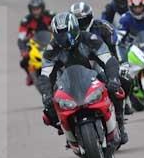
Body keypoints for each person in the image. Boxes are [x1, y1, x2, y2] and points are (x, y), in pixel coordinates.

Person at [39, 12, 126, 143]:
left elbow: (108, 60)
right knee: (48, 112)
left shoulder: (90, 39)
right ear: (55, 35)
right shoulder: (51, 50)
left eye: (67, 32)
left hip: (93, 76)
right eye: (60, 34)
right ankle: (66, 130)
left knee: (119, 86)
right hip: (65, 83)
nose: (65, 38)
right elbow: (45, 75)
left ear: (75, 29)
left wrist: (113, 79)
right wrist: (46, 94)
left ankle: (119, 123)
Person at [70, 2, 130, 141]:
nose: (80, 23)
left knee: (124, 80)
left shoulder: (103, 27)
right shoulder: (70, 33)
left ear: (90, 17)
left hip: (105, 63)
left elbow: (116, 45)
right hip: (81, 69)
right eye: (77, 21)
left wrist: (122, 64)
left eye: (82, 20)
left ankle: (120, 121)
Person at [18, 0, 55, 86]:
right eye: (34, 9)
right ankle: (30, 75)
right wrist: (23, 50)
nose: (36, 12)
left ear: (42, 8)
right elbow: (21, 38)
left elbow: (60, 25)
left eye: (38, 9)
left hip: (51, 42)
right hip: (34, 45)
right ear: (30, 10)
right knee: (24, 62)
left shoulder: (50, 15)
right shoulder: (26, 21)